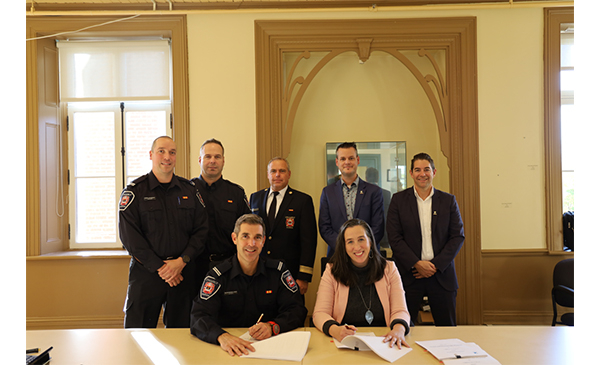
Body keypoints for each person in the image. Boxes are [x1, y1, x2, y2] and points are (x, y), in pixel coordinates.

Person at [118, 136, 208, 328]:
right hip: (147, 274)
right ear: (151, 155)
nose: (167, 157)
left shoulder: (190, 190)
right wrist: (162, 268)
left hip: (182, 273)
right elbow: (129, 237)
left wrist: (182, 261)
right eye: (161, 151)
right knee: (138, 334)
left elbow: (201, 230)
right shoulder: (135, 192)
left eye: (172, 152)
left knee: (182, 337)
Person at [190, 214, 308, 356]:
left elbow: (297, 309)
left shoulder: (277, 271)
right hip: (229, 350)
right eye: (245, 236)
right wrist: (221, 336)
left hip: (270, 348)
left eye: (257, 237)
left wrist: (273, 326)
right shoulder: (218, 276)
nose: (251, 243)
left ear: (263, 241)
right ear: (235, 238)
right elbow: (198, 316)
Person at [386, 152, 465, 326]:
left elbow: (457, 236)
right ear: (411, 173)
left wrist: (435, 265)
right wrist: (417, 263)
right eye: (418, 170)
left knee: (447, 330)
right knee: (404, 328)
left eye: (427, 169)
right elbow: (394, 237)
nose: (423, 174)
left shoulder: (448, 201)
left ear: (434, 172)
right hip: (410, 274)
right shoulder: (398, 201)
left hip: (442, 275)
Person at [313, 219, 410, 349]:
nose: (357, 247)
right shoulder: (331, 271)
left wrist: (398, 330)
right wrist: (335, 330)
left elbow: (400, 310)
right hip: (345, 343)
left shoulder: (389, 268)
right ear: (344, 246)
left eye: (361, 239)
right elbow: (320, 313)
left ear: (370, 241)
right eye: (350, 242)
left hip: (384, 341)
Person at [249, 157, 317, 295]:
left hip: (289, 272)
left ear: (289, 174)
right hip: (259, 270)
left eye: (282, 171)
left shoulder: (302, 201)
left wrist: (303, 277)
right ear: (268, 174)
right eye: (273, 171)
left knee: (290, 312)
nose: (277, 175)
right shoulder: (255, 198)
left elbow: (309, 241)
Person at [191, 138, 251, 293]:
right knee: (193, 313)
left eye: (217, 157)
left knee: (227, 314)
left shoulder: (236, 193)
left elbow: (247, 231)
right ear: (200, 160)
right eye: (208, 156)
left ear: (223, 161)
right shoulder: (186, 191)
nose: (212, 161)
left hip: (228, 266)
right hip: (193, 267)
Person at [319, 142, 385, 257]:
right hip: (338, 256)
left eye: (351, 158)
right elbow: (324, 227)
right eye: (343, 159)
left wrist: (360, 248)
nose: (347, 162)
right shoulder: (327, 192)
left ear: (357, 160)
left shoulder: (374, 192)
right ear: (337, 162)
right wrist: (344, 247)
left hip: (369, 257)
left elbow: (378, 227)